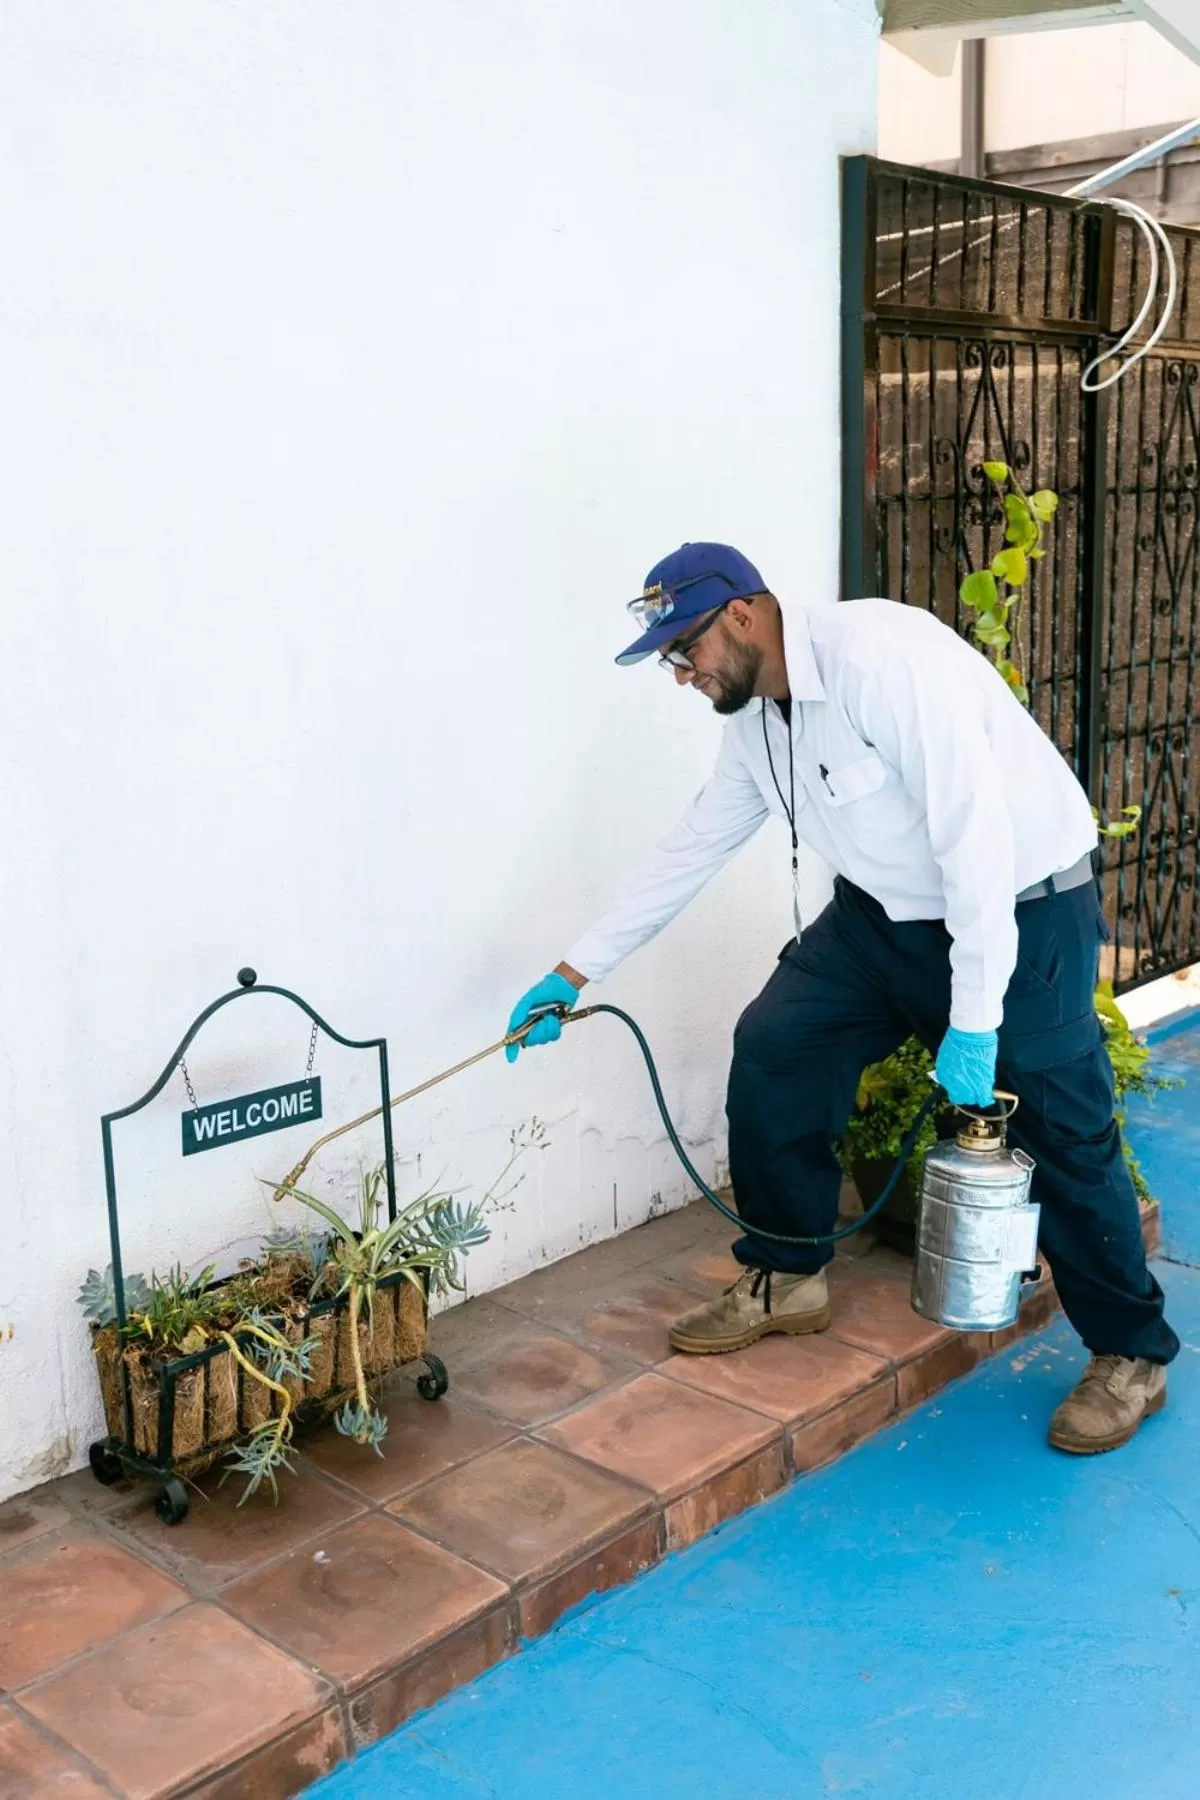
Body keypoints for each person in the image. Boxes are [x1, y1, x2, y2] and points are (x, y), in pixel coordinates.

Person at [506, 543, 1178, 1455]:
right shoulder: (755, 720)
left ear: (742, 616)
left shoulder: (886, 660)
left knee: (1062, 1128)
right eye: (669, 660)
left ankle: (1130, 1353)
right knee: (779, 1044)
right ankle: (788, 1272)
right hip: (879, 921)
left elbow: (974, 841)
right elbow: (694, 845)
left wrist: (974, 1019)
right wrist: (576, 971)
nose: (682, 675)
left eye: (685, 651)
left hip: (1018, 909)